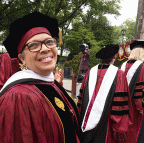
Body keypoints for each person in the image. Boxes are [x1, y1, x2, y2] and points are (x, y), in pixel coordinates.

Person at [0, 11, 81, 143]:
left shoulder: (52, 85)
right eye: (34, 45)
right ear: (22, 59)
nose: (45, 49)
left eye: (49, 42)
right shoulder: (18, 97)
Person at [77, 44, 133, 143]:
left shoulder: (89, 72)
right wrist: (118, 124)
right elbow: (120, 102)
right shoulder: (119, 74)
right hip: (106, 123)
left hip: (85, 119)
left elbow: (81, 99)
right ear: (113, 57)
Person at [120, 40, 144, 143]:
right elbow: (141, 90)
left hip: (119, 105)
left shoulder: (122, 66)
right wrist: (141, 108)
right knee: (133, 134)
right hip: (134, 108)